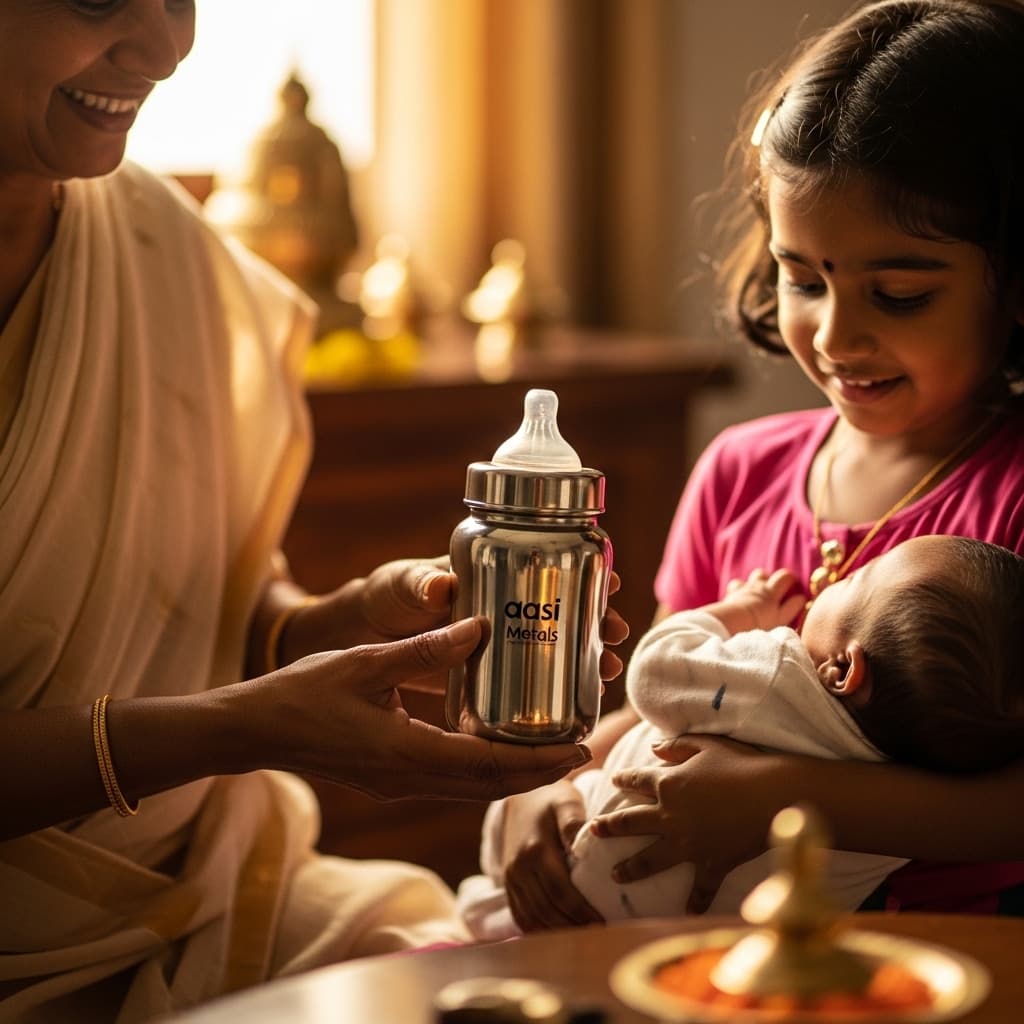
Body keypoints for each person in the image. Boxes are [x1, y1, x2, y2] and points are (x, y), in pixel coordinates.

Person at [0, 4, 627, 1021]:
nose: (166, 47)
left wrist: (335, 623)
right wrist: (234, 731)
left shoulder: (168, 258)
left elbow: (215, 604)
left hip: (215, 897)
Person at [488, 0, 1024, 935]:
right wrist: (567, 781)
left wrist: (784, 797)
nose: (835, 333)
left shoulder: (1009, 492)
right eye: (803, 279)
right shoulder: (740, 472)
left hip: (935, 956)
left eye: (897, 294)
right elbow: (673, 715)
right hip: (692, 946)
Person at [459, 535, 1024, 937]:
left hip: (584, 875)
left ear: (844, 671)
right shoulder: (905, 806)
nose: (841, 577)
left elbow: (654, 677)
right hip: (697, 953)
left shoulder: (776, 672)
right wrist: (535, 788)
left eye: (855, 578)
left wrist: (740, 612)